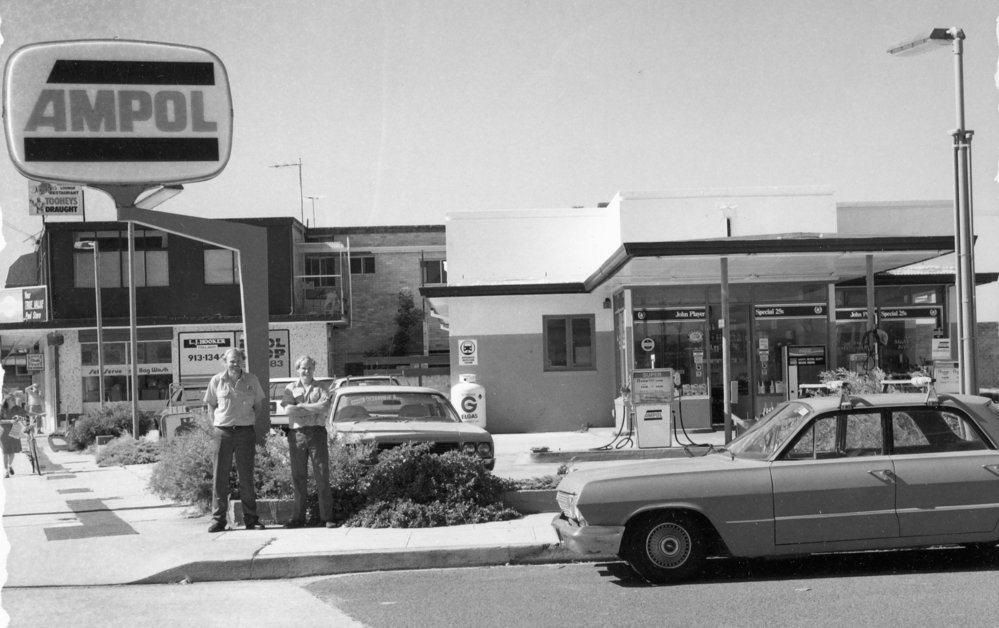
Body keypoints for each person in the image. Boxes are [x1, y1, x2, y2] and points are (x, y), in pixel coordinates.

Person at [204, 347, 266, 533]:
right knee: (219, 477)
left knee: (246, 476)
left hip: (245, 433)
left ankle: (251, 520)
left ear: (242, 361)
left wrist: (246, 421)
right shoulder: (216, 381)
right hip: (222, 432)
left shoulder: (252, 380)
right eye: (232, 360)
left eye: (238, 360)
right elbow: (210, 407)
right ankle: (218, 520)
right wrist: (216, 426)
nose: (235, 363)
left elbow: (259, 406)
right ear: (225, 361)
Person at [281, 355, 337, 528]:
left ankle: (326, 517)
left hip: (317, 433)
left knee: (322, 475)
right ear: (297, 369)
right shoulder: (290, 388)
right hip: (297, 434)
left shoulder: (321, 387)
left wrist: (300, 408)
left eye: (309, 368)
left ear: (314, 369)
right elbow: (288, 410)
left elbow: (325, 407)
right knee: (298, 476)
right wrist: (310, 409)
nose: (306, 371)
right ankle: (298, 518)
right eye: (303, 368)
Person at [0, 403, 24, 478]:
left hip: (14, 431)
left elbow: (22, 418)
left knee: (12, 451)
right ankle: (6, 471)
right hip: (4, 433)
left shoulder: (15, 410)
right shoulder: (1, 411)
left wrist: (19, 418)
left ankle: (10, 465)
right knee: (5, 452)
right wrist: (10, 421)